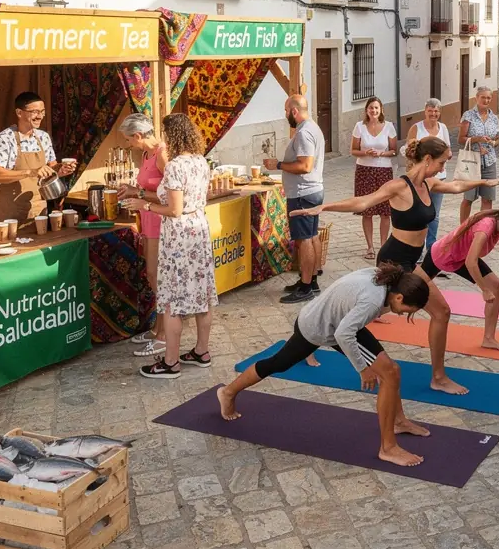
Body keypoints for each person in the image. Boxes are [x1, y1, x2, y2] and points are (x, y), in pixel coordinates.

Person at [290, 136, 499, 394]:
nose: (444, 168)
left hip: (412, 260)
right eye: (442, 162)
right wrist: (324, 207)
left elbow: (457, 186)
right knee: (441, 312)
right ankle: (438, 377)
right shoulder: (398, 187)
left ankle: (309, 338)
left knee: (376, 311)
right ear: (427, 159)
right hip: (395, 261)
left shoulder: (429, 183)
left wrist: (483, 182)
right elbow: (362, 202)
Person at [217, 263, 431, 467]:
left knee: (392, 371)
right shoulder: (373, 301)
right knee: (277, 364)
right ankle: (388, 448)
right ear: (399, 296)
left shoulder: (388, 278)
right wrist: (363, 369)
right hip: (319, 328)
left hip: (338, 322)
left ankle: (399, 422)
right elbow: (343, 335)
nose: (403, 314)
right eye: (406, 309)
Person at [124, 114, 216, 378]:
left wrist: (145, 205)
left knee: (172, 298)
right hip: (199, 228)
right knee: (203, 294)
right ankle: (201, 351)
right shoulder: (200, 161)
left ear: (173, 136)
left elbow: (174, 210)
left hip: (180, 234)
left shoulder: (176, 166)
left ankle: (171, 362)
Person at [420, 207, 499, 352]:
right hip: (442, 255)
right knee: (413, 290)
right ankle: (384, 306)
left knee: (497, 286)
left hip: (461, 258)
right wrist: (484, 290)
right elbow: (471, 263)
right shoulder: (485, 228)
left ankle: (489, 339)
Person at [264, 96, 325, 305]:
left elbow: (305, 166)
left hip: (302, 193)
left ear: (294, 111)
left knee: (305, 239)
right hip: (312, 190)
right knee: (312, 235)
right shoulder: (311, 128)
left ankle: (306, 286)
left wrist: (278, 165)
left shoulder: (304, 133)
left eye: (286, 110)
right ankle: (311, 280)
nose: (285, 115)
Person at [116, 114, 168, 358]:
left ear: (138, 135)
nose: (129, 145)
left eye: (129, 140)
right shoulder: (147, 155)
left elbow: (173, 195)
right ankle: (159, 328)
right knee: (152, 274)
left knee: (156, 276)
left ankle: (165, 335)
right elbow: (148, 188)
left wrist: (141, 196)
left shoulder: (162, 154)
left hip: (160, 220)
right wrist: (134, 190)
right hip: (148, 219)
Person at [0, 91, 77, 227]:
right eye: (34, 112)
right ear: (19, 113)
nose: (39, 116)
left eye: (42, 111)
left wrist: (62, 169)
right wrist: (30, 172)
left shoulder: (43, 137)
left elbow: (52, 169)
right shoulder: (5, 139)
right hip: (8, 214)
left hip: (37, 211)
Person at [351, 96, 397, 260]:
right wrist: (365, 152)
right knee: (367, 210)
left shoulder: (389, 127)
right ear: (366, 110)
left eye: (376, 108)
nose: (374, 111)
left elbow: (394, 150)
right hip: (364, 170)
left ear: (381, 110)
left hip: (384, 171)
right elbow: (353, 150)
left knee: (385, 211)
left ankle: (384, 246)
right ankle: (370, 246)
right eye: (371, 108)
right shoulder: (359, 127)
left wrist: (381, 153)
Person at [406, 98, 451, 261]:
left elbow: (448, 150)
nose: (433, 114)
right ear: (425, 111)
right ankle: (416, 247)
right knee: (419, 213)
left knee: (435, 214)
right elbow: (410, 152)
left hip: (438, 177)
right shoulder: (416, 128)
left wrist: (445, 159)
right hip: (420, 179)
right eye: (430, 110)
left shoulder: (443, 128)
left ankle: (431, 248)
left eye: (436, 111)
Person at [458, 87, 499, 224]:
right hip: (472, 162)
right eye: (483, 97)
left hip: (489, 161)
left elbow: (498, 139)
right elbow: (461, 139)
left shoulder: (494, 118)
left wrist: (493, 142)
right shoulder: (468, 115)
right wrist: (477, 139)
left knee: (488, 198)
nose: (486, 100)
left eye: (488, 98)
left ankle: (483, 228)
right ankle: (462, 229)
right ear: (477, 98)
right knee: (468, 198)